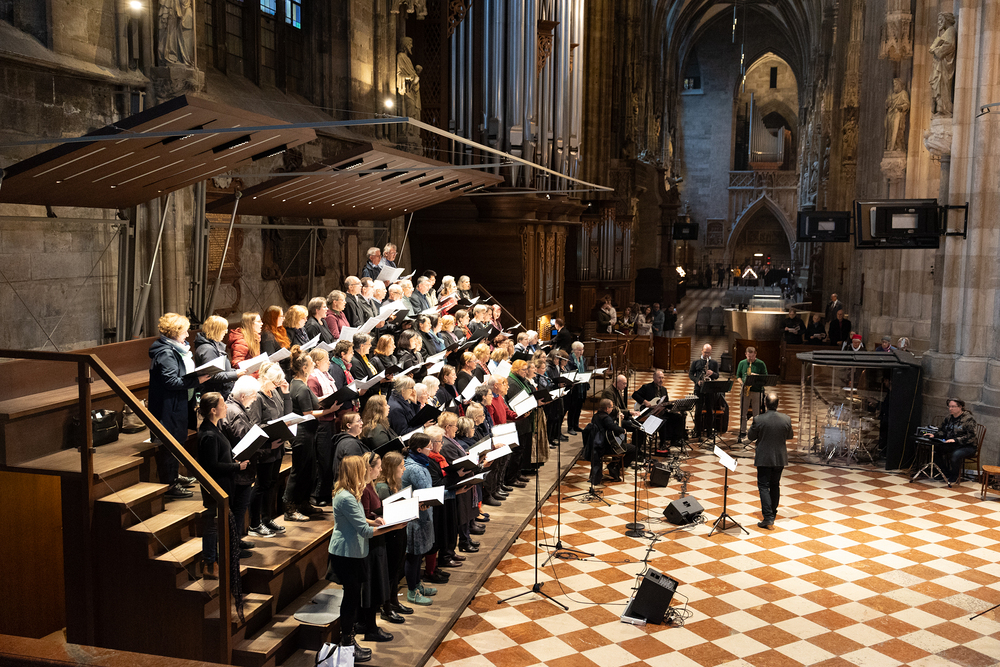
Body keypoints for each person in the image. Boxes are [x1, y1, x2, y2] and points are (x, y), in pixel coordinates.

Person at [326, 455, 392, 663]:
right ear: (355, 471)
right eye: (362, 468)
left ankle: (349, 640)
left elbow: (359, 520)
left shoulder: (349, 493)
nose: (365, 471)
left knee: (353, 598)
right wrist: (392, 527)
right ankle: (347, 643)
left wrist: (374, 521)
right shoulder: (346, 496)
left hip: (354, 551)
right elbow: (364, 531)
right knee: (351, 600)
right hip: (347, 554)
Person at [148, 312, 209, 499]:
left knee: (178, 440)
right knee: (170, 443)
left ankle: (174, 475)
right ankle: (170, 485)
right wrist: (197, 380)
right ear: (174, 332)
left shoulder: (176, 349)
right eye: (184, 331)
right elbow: (171, 382)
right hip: (169, 406)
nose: (188, 335)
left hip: (178, 403)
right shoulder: (166, 353)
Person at [197, 392, 251, 580]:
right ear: (213, 410)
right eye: (222, 404)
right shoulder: (209, 434)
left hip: (223, 485)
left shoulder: (213, 428)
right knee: (212, 525)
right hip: (216, 487)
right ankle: (209, 563)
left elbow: (219, 457)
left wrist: (231, 461)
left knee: (217, 524)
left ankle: (217, 559)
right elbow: (211, 466)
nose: (226, 406)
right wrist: (237, 466)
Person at [283, 347, 340, 521]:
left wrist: (328, 400)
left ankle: (303, 503)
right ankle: (290, 508)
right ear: (304, 368)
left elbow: (313, 401)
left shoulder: (298, 383)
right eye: (311, 364)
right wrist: (330, 410)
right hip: (302, 433)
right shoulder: (300, 387)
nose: (314, 365)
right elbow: (307, 413)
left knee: (309, 470)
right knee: (299, 471)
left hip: (308, 432)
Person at [248, 362, 290, 538]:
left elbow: (286, 416)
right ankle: (254, 524)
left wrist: (286, 394)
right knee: (261, 485)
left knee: (272, 483)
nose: (277, 384)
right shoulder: (258, 397)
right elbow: (255, 425)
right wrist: (268, 443)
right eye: (275, 382)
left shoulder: (275, 392)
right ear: (264, 378)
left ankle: (267, 518)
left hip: (277, 446)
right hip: (266, 448)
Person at [221, 375, 262, 549]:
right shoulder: (236, 413)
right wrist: (265, 446)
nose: (255, 400)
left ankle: (236, 542)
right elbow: (243, 440)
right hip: (240, 471)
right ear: (243, 396)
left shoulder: (232, 407)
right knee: (238, 509)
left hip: (239, 470)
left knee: (238, 509)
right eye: (254, 396)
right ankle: (234, 545)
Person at [374, 451, 413, 622]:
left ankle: (394, 601)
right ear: (392, 468)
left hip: (399, 530)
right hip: (390, 535)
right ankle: (386, 607)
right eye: (401, 466)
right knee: (390, 571)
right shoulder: (382, 487)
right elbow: (384, 512)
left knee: (397, 568)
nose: (404, 469)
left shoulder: (395, 483)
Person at [401, 433, 437, 606]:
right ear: (419, 449)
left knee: (418, 554)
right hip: (414, 518)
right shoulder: (415, 468)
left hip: (421, 514)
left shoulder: (418, 464)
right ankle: (412, 592)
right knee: (414, 556)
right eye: (429, 446)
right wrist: (452, 492)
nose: (431, 449)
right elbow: (428, 493)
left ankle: (417, 585)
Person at [748, 393, 793, 530]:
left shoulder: (758, 419)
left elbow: (750, 436)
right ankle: (772, 513)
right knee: (775, 485)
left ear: (765, 404)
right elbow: (790, 435)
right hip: (779, 458)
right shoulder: (786, 419)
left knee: (763, 486)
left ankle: (768, 518)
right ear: (778, 404)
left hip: (764, 458)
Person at [600, 375, 642, 472]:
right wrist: (629, 412)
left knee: (639, 427)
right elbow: (613, 409)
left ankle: (634, 453)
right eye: (624, 383)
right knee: (633, 428)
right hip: (614, 420)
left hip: (620, 417)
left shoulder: (618, 390)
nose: (625, 386)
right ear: (617, 382)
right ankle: (628, 455)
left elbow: (620, 407)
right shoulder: (608, 392)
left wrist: (628, 414)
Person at [194, 314, 242, 399]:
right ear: (216, 330)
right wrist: (235, 374)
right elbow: (212, 375)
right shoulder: (207, 349)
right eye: (224, 329)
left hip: (222, 392)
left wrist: (235, 371)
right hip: (215, 395)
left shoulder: (215, 345)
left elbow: (223, 369)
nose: (226, 332)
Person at [590, 397, 635, 484]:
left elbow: (609, 426)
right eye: (611, 407)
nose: (612, 409)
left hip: (597, 445)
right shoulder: (606, 418)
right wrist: (623, 430)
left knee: (621, 444)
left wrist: (617, 419)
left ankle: (614, 466)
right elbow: (613, 427)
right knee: (633, 449)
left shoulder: (595, 416)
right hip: (607, 446)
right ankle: (615, 466)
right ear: (607, 408)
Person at [938, 398, 977, 484]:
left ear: (960, 407)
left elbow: (971, 436)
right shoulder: (948, 418)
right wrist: (935, 435)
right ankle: (944, 472)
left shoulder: (968, 419)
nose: (950, 409)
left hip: (967, 446)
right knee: (937, 449)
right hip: (952, 444)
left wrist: (955, 440)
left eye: (953, 406)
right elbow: (942, 430)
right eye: (949, 406)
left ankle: (954, 476)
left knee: (955, 455)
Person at [736, 347, 768, 444]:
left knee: (756, 414)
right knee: (743, 412)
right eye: (749, 356)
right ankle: (742, 431)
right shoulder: (742, 363)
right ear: (746, 354)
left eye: (752, 356)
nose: (750, 358)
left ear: (755, 354)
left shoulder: (761, 364)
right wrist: (742, 383)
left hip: (756, 391)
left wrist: (756, 376)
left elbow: (765, 377)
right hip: (745, 390)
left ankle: (756, 432)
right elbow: (738, 376)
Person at [689, 344, 720, 439]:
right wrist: (697, 381)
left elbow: (717, 375)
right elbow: (691, 374)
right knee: (698, 410)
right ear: (702, 351)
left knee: (710, 410)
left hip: (710, 389)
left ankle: (709, 432)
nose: (707, 354)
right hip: (699, 389)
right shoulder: (696, 362)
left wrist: (712, 373)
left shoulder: (714, 363)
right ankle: (697, 431)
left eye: (708, 353)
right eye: (705, 352)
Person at [565, 341, 588, 435]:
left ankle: (576, 425)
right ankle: (570, 427)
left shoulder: (583, 359)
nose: (581, 352)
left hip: (582, 387)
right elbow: (569, 372)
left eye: (582, 350)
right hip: (574, 387)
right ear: (574, 350)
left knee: (579, 407)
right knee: (572, 408)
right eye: (579, 350)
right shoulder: (570, 360)